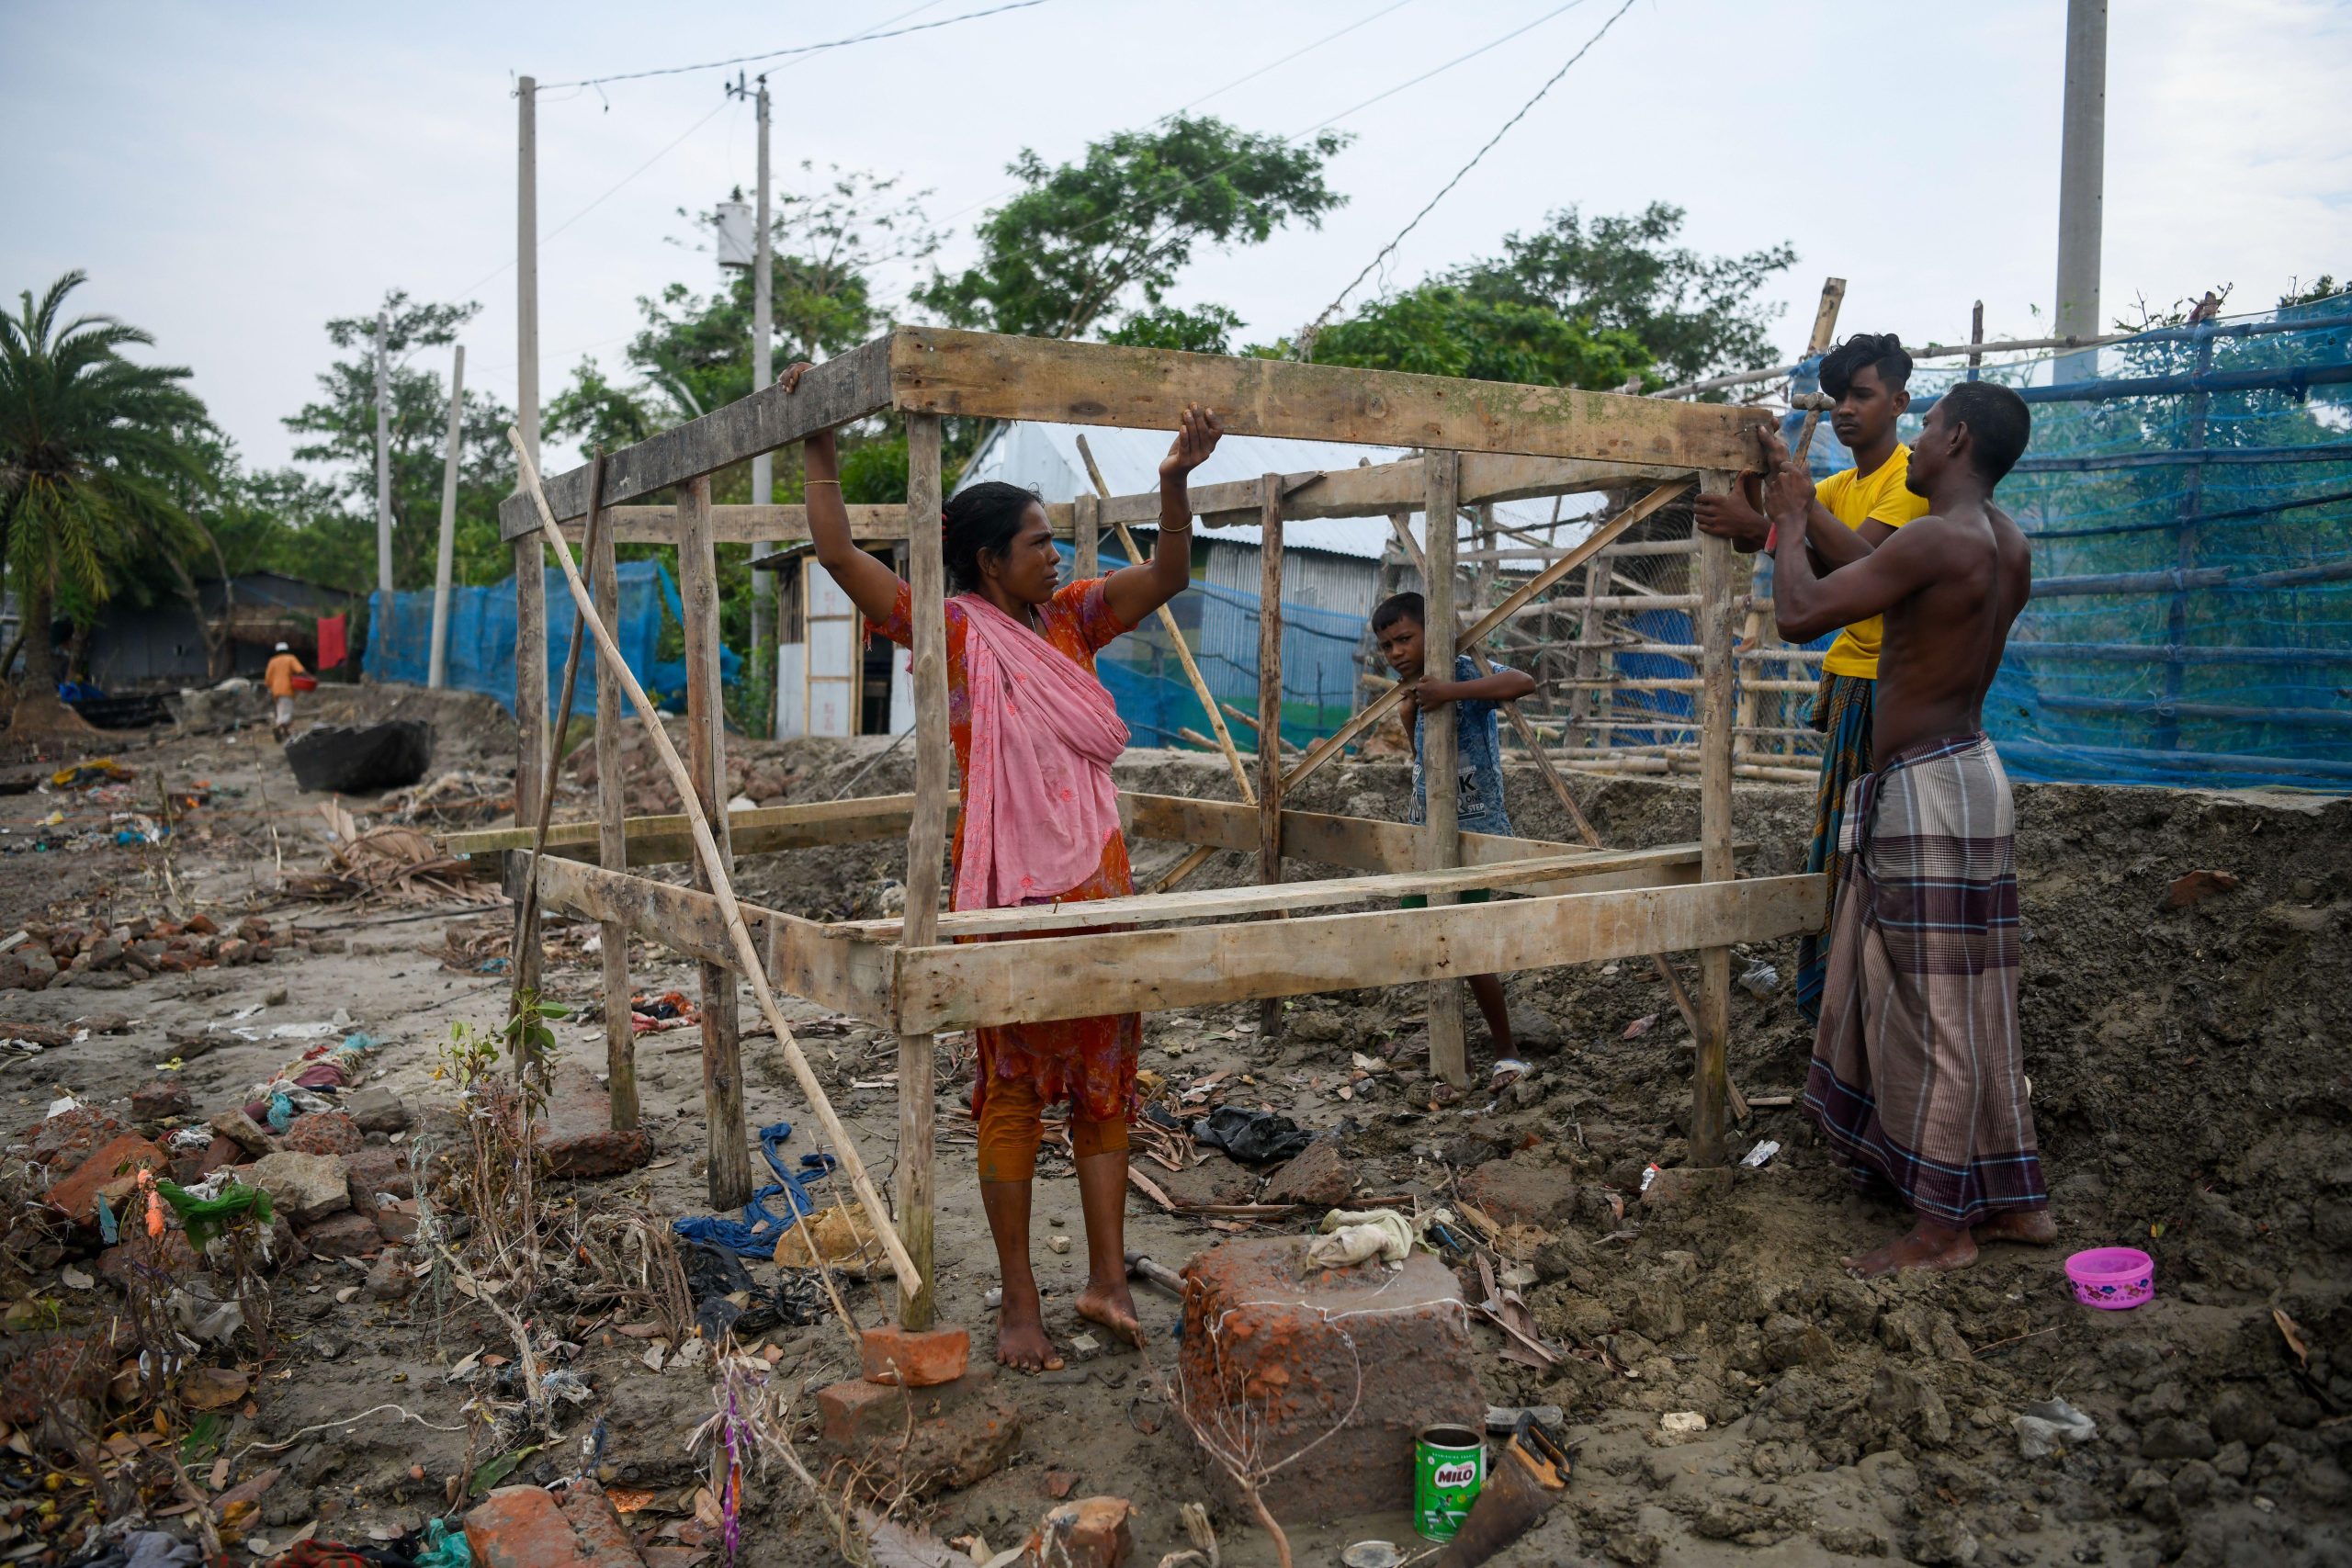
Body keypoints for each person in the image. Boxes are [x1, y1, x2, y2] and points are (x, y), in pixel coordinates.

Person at [792, 364, 1222, 1371]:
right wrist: (818, 447)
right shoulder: (944, 627)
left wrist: (1172, 483)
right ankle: (1020, 1306)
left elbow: (1166, 578)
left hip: (1099, 884)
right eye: (1037, 543)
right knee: (1016, 1093)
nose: (1053, 555)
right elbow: (836, 549)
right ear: (988, 561)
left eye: (1054, 544)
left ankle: (1108, 1281)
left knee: (1110, 1086)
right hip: (1006, 893)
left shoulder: (1071, 619)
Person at [1759, 378, 2055, 1278]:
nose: (1915, 444)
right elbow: (1879, 585)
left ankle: (1941, 1228)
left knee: (1929, 1010)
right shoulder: (2003, 542)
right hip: (1972, 775)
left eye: (1925, 428)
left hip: (1923, 790)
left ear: (1956, 439)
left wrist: (1783, 525)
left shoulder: (1934, 535)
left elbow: (1800, 614)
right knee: (1977, 1002)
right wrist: (1804, 505)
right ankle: (2012, 1202)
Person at [1696, 334, 1929, 1022]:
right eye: (1838, 399)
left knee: (1872, 857)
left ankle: (1875, 1000)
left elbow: (1864, 566)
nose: (1848, 410)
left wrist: (1779, 521)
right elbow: (1776, 523)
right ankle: (1843, 1000)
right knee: (1842, 853)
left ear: (1899, 401)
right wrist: (1758, 471)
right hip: (1855, 687)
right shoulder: (1846, 483)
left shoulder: (1907, 480)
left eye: (1862, 395)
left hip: (1889, 693)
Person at [1372, 592, 1537, 1055]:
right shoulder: (1417, 691)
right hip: (1429, 831)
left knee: (1464, 943)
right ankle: (1452, 1038)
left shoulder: (1462, 671)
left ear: (1435, 632)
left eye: (1405, 639)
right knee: (1424, 929)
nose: (1396, 652)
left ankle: (1505, 1049)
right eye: (1387, 647)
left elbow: (1523, 681)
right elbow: (1427, 765)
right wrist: (1409, 718)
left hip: (1474, 831)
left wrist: (1451, 692)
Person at [264, 641, 306, 741]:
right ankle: (278, 726)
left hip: (276, 691)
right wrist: (310, 677)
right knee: (286, 714)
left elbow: (267, 679)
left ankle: (286, 733)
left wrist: (272, 687)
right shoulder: (290, 659)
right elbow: (300, 671)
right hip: (286, 689)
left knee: (281, 711)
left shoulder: (272, 661)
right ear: (287, 650)